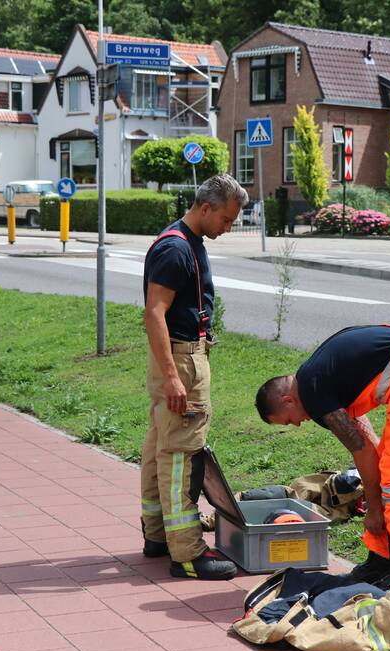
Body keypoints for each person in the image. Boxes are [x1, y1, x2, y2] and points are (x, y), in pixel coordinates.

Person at [254, 325, 390, 598]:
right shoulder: (318, 377)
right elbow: (368, 448)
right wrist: (376, 494)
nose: (296, 424)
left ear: (287, 400)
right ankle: (381, 565)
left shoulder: (313, 393)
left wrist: (375, 510)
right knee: (389, 469)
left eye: (288, 420)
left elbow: (362, 452)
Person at [140, 174, 247, 580]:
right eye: (226, 219)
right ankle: (186, 553)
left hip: (179, 356)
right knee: (181, 455)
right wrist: (173, 377)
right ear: (205, 208)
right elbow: (155, 313)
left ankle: (157, 535)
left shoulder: (186, 241)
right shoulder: (176, 249)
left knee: (160, 445)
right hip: (182, 358)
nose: (228, 227)